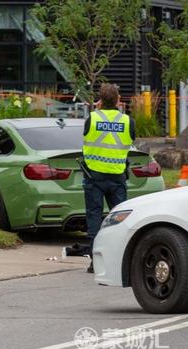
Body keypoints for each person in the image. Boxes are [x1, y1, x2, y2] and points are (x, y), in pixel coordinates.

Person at [82, 84, 135, 273]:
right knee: (120, 219)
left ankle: (95, 262)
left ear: (101, 101)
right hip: (117, 177)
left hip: (94, 177)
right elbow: (131, 140)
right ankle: (122, 260)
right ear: (119, 100)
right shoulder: (128, 121)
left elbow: (87, 135)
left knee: (94, 218)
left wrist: (96, 110)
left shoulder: (93, 118)